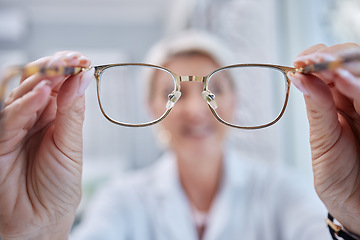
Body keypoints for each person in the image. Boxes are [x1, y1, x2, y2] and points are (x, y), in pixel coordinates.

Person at [0, 31, 359, 240]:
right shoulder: (122, 201)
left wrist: (355, 220)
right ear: (152, 106)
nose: (195, 109)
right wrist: (34, 233)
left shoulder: (281, 192)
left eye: (215, 88)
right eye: (173, 91)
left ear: (236, 101)